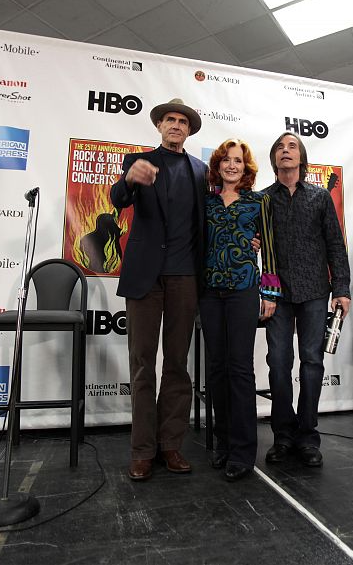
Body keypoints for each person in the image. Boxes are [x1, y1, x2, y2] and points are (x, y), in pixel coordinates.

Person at [110, 98, 207, 481]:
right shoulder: (137, 162)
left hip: (186, 277)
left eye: (183, 121)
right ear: (160, 125)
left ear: (189, 130)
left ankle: (171, 446)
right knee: (142, 366)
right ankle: (142, 450)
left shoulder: (201, 170)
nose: (176, 125)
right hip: (144, 278)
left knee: (178, 366)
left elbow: (209, 221)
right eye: (170, 119)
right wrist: (130, 179)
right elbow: (118, 200)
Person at [263, 132, 351, 467]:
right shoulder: (262, 200)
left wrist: (341, 289)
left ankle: (308, 436)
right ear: (274, 159)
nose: (285, 151)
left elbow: (335, 244)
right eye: (280, 147)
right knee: (278, 364)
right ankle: (283, 436)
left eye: (292, 146)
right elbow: (256, 244)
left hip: (316, 291)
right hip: (277, 295)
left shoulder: (319, 197)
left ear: (302, 158)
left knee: (312, 362)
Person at [199, 138, 281, 482]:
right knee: (216, 369)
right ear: (217, 166)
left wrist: (270, 292)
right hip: (209, 291)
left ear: (246, 168)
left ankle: (244, 451)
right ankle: (223, 443)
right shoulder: (206, 203)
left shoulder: (259, 201)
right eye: (226, 160)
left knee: (240, 369)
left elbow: (271, 249)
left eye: (238, 161)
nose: (232, 165)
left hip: (244, 290)